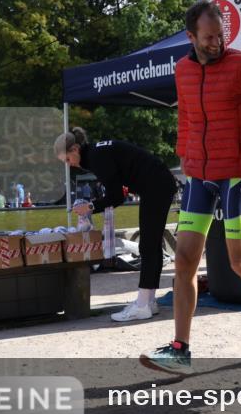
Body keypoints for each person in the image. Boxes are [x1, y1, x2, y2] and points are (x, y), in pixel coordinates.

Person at [142, 0, 241, 374]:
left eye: (221, 35)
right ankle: (181, 348)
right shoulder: (182, 70)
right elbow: (186, 118)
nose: (216, 43)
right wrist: (185, 157)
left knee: (240, 261)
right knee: (183, 262)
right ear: (191, 36)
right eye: (209, 37)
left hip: (236, 178)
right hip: (198, 178)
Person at [55, 127, 178, 322]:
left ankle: (143, 305)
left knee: (148, 246)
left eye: (68, 160)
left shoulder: (96, 158)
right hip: (158, 183)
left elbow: (116, 197)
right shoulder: (97, 152)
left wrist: (90, 207)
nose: (69, 165)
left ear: (75, 149)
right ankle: (148, 301)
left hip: (155, 185)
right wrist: (93, 206)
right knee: (151, 246)